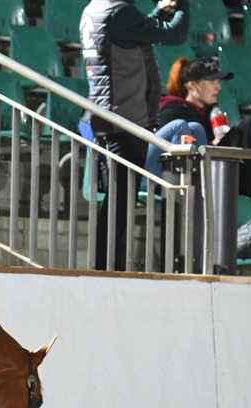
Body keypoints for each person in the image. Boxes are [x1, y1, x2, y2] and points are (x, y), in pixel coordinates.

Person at [80, 0, 190, 270]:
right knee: (120, 203)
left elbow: (128, 34)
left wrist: (158, 13)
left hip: (108, 116)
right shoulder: (119, 12)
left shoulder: (95, 9)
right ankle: (107, 269)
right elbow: (175, 34)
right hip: (126, 121)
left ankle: (106, 267)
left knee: (118, 201)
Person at [155, 56, 251, 214]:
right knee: (248, 126)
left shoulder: (209, 112)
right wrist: (212, 144)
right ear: (192, 85)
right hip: (197, 176)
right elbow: (176, 152)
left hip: (221, 169)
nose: (218, 87)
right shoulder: (173, 110)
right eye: (212, 82)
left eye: (218, 82)